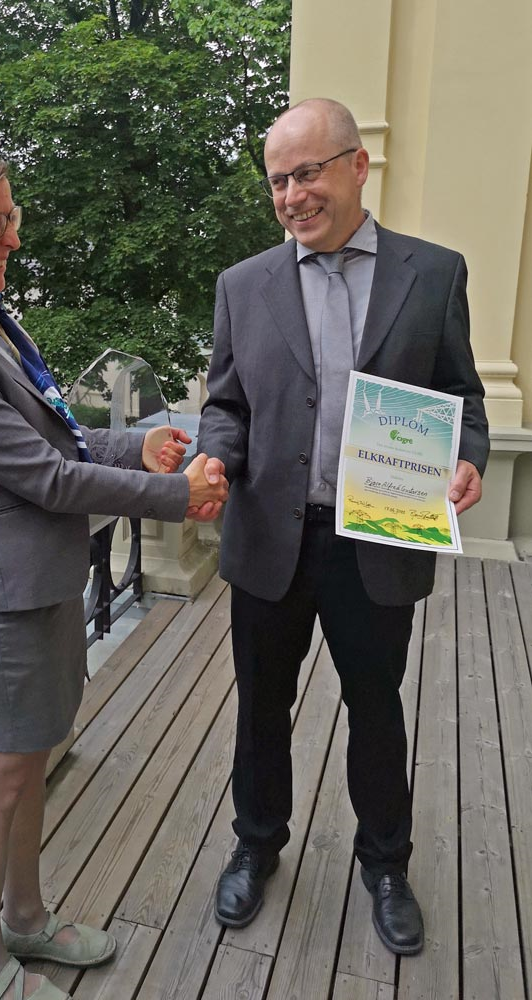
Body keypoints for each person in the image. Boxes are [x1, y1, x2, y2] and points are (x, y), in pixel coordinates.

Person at [0, 139, 227, 1000]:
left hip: (45, 582)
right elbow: (43, 479)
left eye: (11, 218)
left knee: (30, 763)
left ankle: (26, 921)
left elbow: (58, 439)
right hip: (1, 599)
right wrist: (175, 495)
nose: (11, 240)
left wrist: (138, 444)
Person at [194, 98, 489, 955]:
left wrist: (466, 453)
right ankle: (256, 846)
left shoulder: (433, 273)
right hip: (269, 540)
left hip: (378, 536)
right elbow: (228, 405)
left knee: (376, 708)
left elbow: (461, 395)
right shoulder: (242, 284)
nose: (292, 195)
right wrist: (214, 458)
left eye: (308, 172)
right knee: (260, 711)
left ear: (359, 166)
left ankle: (386, 865)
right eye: (278, 181)